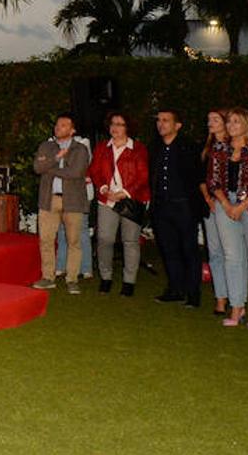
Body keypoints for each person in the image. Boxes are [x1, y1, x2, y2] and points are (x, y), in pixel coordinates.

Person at [210, 109, 248, 330]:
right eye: (229, 122)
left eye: (237, 121)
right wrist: (227, 205)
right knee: (232, 257)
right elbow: (213, 181)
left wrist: (242, 206)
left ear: (247, 124)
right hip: (225, 203)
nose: (232, 125)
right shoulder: (219, 148)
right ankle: (236, 306)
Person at [89, 112, 149, 296]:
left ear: (127, 128)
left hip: (131, 200)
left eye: (120, 124)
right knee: (104, 239)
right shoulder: (102, 148)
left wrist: (125, 192)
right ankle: (106, 277)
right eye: (113, 124)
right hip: (107, 200)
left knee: (130, 241)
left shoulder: (138, 149)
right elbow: (94, 171)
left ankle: (129, 281)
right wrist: (104, 188)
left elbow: (143, 175)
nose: (115, 128)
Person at [32, 114, 92, 293]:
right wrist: (56, 158)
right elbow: (37, 168)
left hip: (72, 200)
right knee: (46, 240)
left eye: (64, 125)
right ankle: (48, 277)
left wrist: (49, 169)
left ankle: (72, 279)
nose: (59, 127)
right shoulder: (46, 146)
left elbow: (76, 172)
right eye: (57, 125)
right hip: (49, 200)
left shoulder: (80, 149)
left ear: (72, 130)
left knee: (74, 240)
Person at [149, 108, 202, 307]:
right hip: (162, 206)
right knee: (169, 250)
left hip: (184, 206)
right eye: (159, 120)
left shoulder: (188, 147)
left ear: (177, 125)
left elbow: (196, 177)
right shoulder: (155, 147)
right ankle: (175, 289)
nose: (161, 124)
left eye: (166, 120)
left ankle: (193, 294)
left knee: (189, 250)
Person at [200, 108, 232, 317]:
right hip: (210, 203)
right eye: (209, 119)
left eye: (215, 119)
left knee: (233, 252)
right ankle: (221, 297)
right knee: (215, 252)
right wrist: (207, 197)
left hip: (231, 203)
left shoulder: (236, 146)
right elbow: (201, 175)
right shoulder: (207, 148)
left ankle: (236, 296)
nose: (210, 122)